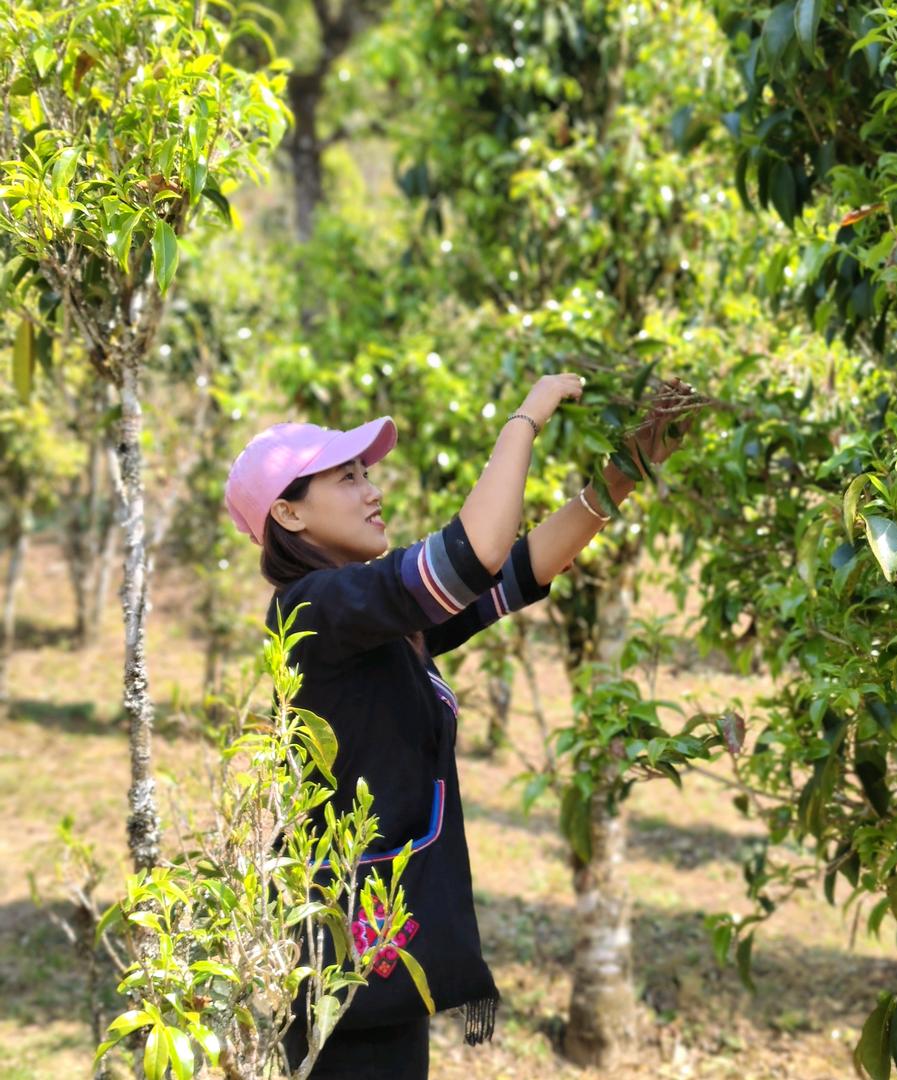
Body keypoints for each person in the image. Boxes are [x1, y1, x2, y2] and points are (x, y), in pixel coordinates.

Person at [223, 373, 690, 1079]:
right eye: (346, 479)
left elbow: (519, 568)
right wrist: (526, 417)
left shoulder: (371, 622)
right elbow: (475, 553)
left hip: (377, 963)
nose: (372, 491)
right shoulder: (316, 607)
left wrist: (623, 474)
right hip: (347, 971)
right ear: (289, 517)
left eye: (366, 475)